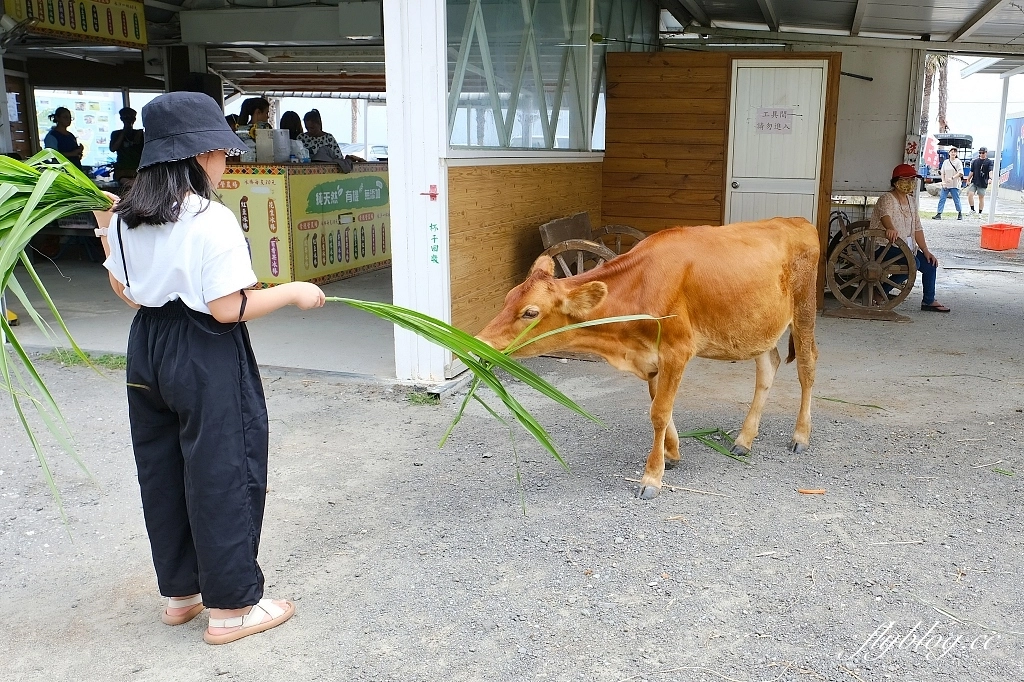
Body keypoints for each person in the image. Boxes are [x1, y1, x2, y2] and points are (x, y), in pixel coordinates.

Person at [90, 91, 325, 645]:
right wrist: (294, 291)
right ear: (198, 156)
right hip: (204, 348)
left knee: (162, 467)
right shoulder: (210, 219)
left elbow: (127, 294)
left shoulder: (125, 215)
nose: (225, 161)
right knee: (223, 468)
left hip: (147, 346)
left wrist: (105, 230)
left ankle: (180, 594)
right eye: (221, 151)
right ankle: (233, 607)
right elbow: (228, 307)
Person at [871, 164, 950, 312]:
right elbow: (885, 215)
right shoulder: (887, 198)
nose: (910, 183)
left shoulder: (911, 201)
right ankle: (880, 291)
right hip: (885, 247)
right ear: (896, 182)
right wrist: (890, 228)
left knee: (929, 264)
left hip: (907, 248)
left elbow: (917, 228)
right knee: (914, 263)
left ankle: (928, 300)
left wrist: (925, 250)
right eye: (906, 179)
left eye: (912, 179)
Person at [109, 107, 145, 185]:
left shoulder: (140, 134)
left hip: (137, 170)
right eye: (126, 117)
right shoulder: (116, 134)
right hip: (123, 170)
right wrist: (123, 133)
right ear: (121, 119)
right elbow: (113, 148)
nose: (128, 120)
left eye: (131, 117)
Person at [933, 147, 964, 220]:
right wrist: (943, 181)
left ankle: (960, 213)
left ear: (956, 154)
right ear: (949, 153)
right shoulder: (945, 162)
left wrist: (952, 178)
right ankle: (939, 213)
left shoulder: (958, 162)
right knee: (942, 198)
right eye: (952, 152)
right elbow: (942, 172)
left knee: (956, 199)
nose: (953, 153)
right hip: (946, 184)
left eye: (954, 152)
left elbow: (960, 173)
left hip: (954, 184)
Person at [964, 146, 994, 214]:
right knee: (970, 194)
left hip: (983, 182)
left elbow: (990, 171)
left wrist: (990, 178)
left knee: (981, 197)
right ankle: (972, 209)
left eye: (983, 153)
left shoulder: (989, 162)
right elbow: (972, 171)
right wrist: (968, 179)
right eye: (980, 152)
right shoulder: (975, 161)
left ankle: (980, 212)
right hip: (974, 181)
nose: (981, 154)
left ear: (986, 153)